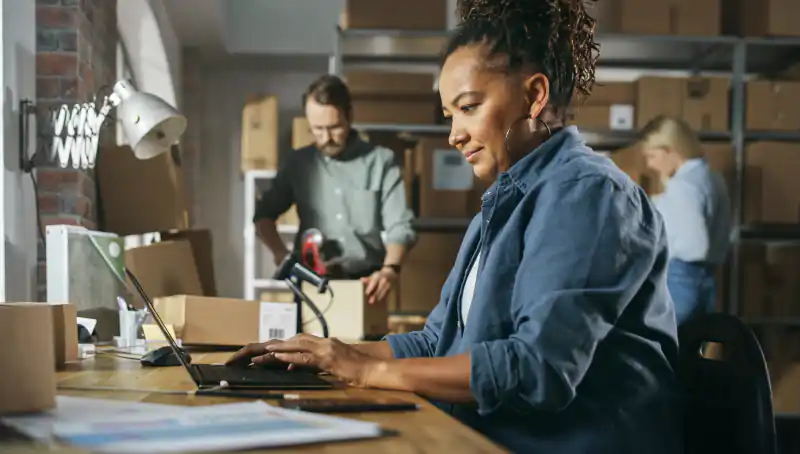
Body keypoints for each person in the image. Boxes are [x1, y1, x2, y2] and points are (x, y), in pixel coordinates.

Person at [230, 0, 683, 452]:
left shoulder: (587, 194)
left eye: (468, 107)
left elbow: (537, 368)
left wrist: (366, 370)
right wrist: (328, 352)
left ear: (534, 96)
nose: (454, 135)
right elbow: (437, 341)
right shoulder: (504, 201)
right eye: (450, 116)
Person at [253, 75, 416, 304]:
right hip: (310, 284)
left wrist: (390, 269)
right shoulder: (298, 164)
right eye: (317, 129)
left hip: (365, 286)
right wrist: (280, 253)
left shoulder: (381, 162)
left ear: (349, 115)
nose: (326, 138)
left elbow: (400, 225)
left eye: (334, 128)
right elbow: (263, 215)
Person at [640, 116, 731, 326]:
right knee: (692, 341)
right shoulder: (714, 179)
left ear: (671, 150)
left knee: (659, 340)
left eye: (652, 156)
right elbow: (721, 236)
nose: (650, 165)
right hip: (707, 280)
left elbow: (695, 245)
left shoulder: (682, 186)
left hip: (679, 277)